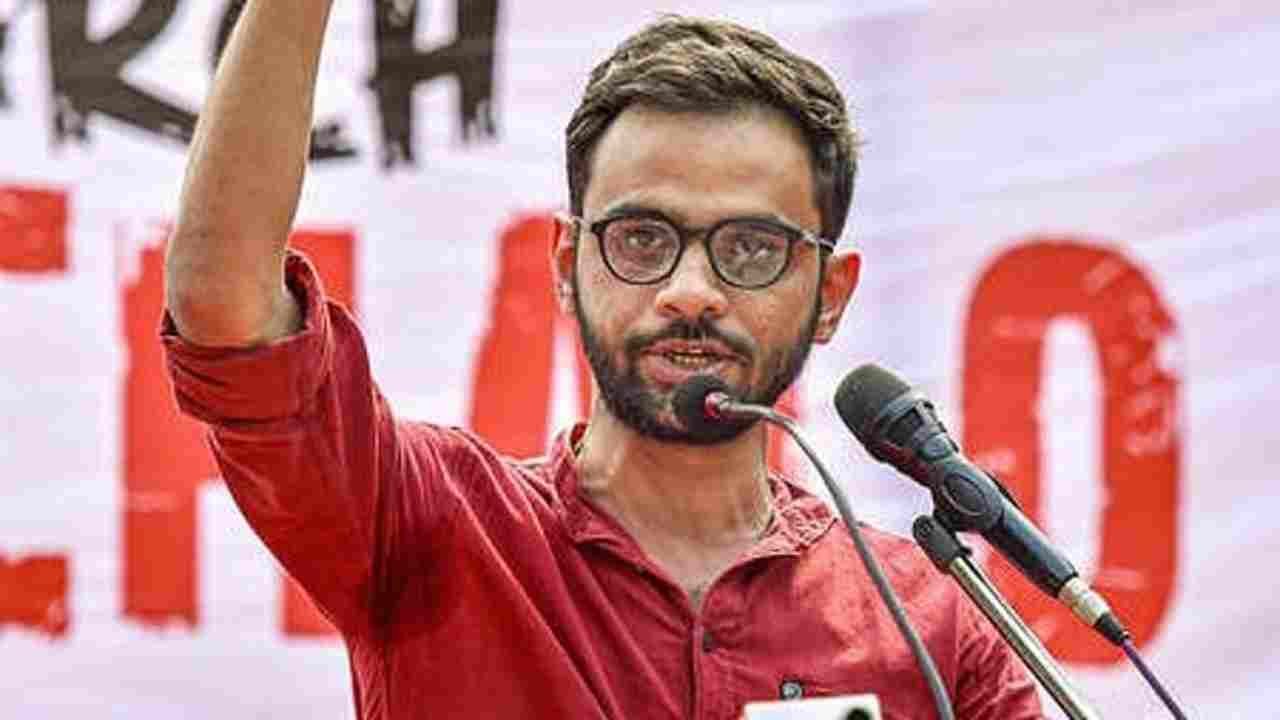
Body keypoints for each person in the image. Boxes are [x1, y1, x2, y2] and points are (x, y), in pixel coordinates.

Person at [161, 2, 1043, 718]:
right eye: (643, 238)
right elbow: (225, 309)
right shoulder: (432, 523)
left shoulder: (926, 620)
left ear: (832, 294)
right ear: (565, 264)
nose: (691, 292)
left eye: (750, 248)